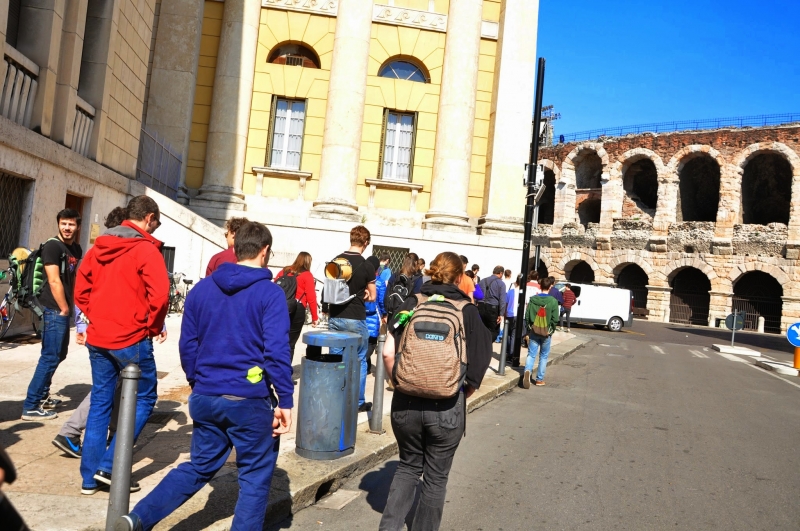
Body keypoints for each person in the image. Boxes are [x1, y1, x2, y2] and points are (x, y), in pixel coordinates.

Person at [116, 221, 293, 531]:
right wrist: (286, 400)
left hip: (206, 394)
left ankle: (138, 518)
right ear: (265, 251)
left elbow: (188, 345)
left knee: (199, 466)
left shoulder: (201, 289)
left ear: (236, 248)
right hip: (248, 398)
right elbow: (276, 351)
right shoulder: (270, 293)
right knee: (254, 476)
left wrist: (197, 382)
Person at [379, 252, 493, 531]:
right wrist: (462, 391)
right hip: (447, 406)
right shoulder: (466, 311)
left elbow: (387, 353)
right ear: (459, 277)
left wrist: (399, 382)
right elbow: (480, 361)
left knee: (407, 467)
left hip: (405, 402)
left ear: (431, 272)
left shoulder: (412, 302)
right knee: (436, 477)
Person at [74, 195, 169, 495]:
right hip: (131, 337)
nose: (154, 228)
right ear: (149, 217)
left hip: (99, 336)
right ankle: (108, 467)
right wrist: (151, 326)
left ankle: (89, 478)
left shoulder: (98, 247)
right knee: (145, 398)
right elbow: (161, 296)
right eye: (155, 223)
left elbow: (81, 290)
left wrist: (97, 315)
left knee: (101, 403)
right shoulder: (145, 249)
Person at [51, 207, 136, 457]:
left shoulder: (92, 253)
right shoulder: (113, 254)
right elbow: (84, 292)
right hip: (113, 332)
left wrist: (82, 325)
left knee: (117, 384)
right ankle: (71, 431)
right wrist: (81, 325)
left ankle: (110, 433)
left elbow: (83, 292)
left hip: (102, 330)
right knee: (107, 386)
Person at [21, 208, 83, 421]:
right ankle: (31, 405)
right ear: (58, 224)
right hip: (53, 308)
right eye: (64, 223)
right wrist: (64, 308)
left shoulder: (76, 248)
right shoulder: (52, 247)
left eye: (71, 224)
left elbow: (72, 279)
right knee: (50, 356)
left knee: (59, 354)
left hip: (63, 309)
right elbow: (54, 280)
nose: (67, 227)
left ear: (77, 226)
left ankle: (43, 395)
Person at [327, 225, 376, 413]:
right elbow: (372, 295)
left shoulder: (336, 260)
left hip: (336, 316)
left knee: (336, 359)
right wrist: (364, 294)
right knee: (359, 360)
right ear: (366, 242)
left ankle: (334, 398)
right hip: (355, 317)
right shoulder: (367, 265)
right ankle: (358, 402)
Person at [275, 251, 319, 359]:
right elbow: (311, 298)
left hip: (280, 306)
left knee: (277, 339)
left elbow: (274, 286)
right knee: (290, 342)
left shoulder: (284, 271)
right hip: (297, 308)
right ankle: (285, 367)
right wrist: (315, 317)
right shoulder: (307, 275)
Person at [523, 276, 559, 388]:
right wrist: (551, 330)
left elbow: (527, 316)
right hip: (546, 332)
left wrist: (530, 327)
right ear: (550, 287)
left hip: (534, 330)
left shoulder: (533, 299)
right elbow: (555, 319)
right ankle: (539, 379)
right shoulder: (553, 301)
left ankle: (527, 371)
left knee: (531, 354)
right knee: (543, 356)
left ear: (540, 286)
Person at [477, 266, 507, 339]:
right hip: (493, 308)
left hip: (480, 306)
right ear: (501, 273)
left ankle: (481, 344)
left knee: (481, 329)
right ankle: (487, 344)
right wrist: (501, 314)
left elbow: (476, 294)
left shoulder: (482, 281)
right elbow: (502, 300)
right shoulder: (501, 284)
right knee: (494, 330)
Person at [365, 256, 382, 374]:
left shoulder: (361, 279)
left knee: (362, 344)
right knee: (371, 343)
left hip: (360, 316)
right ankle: (363, 365)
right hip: (374, 317)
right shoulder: (379, 282)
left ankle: (367, 367)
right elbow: (382, 302)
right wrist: (384, 315)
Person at [504, 275, 520, 357]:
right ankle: (511, 353)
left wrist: (505, 314)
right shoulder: (523, 292)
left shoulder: (510, 291)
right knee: (514, 334)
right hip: (517, 315)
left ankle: (507, 351)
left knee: (508, 333)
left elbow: (506, 304)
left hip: (509, 314)